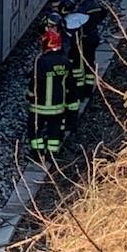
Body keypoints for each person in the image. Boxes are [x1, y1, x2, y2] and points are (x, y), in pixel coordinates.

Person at [27, 29, 78, 158]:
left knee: (35, 130)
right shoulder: (65, 62)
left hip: (40, 107)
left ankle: (37, 154)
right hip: (57, 107)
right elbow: (71, 85)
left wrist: (30, 95)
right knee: (54, 132)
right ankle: (52, 154)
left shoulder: (41, 61)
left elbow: (35, 81)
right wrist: (71, 109)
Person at [77, 0, 108, 98]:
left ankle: (80, 91)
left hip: (85, 38)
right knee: (90, 62)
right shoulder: (96, 5)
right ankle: (89, 90)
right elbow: (104, 12)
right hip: (94, 36)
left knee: (81, 64)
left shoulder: (83, 8)